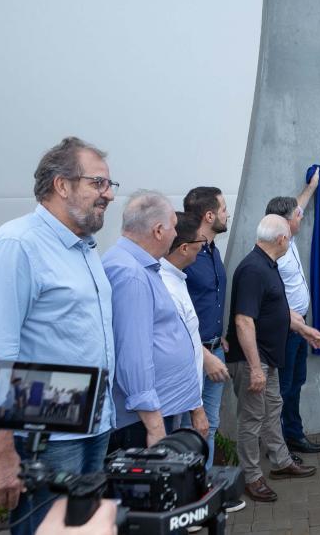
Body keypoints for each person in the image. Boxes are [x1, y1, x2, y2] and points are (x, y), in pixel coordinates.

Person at [0, 136, 117, 535]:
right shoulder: (16, 246)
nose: (109, 195)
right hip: (45, 435)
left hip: (93, 424)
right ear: (61, 185)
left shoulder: (84, 249)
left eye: (109, 185)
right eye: (98, 184)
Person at [103, 191, 207, 451]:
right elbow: (133, 354)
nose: (175, 235)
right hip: (142, 421)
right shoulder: (131, 274)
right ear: (159, 231)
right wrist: (153, 423)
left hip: (158, 410)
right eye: (173, 227)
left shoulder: (139, 266)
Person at [227, 215, 316, 504]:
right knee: (252, 419)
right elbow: (243, 321)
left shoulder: (267, 265)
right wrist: (255, 368)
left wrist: (303, 329)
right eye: (288, 238)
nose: (289, 243)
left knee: (272, 409)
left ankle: (281, 462)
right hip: (254, 360)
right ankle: (251, 477)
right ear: (280, 239)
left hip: (268, 358)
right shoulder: (253, 269)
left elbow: (276, 310)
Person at [264, 170, 320, 456]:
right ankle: (278, 444)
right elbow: (268, 294)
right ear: (285, 221)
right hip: (287, 328)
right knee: (284, 386)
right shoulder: (272, 247)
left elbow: (298, 205)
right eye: (297, 216)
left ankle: (291, 434)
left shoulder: (285, 238)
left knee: (295, 381)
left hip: (299, 326)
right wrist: (293, 319)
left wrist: (311, 186)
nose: (301, 217)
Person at [180, 188, 234, 468]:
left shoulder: (212, 251)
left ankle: (207, 491)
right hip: (192, 356)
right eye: (223, 208)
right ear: (209, 215)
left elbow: (207, 299)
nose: (227, 213)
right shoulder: (184, 254)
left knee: (209, 426)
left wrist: (219, 334)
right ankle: (190, 496)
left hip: (216, 349)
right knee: (189, 430)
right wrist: (202, 350)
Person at [158, 212, 208, 415]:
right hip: (173, 402)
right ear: (184, 248)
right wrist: (197, 409)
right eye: (199, 240)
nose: (203, 245)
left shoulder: (176, 278)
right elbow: (177, 347)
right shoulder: (166, 286)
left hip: (182, 398)